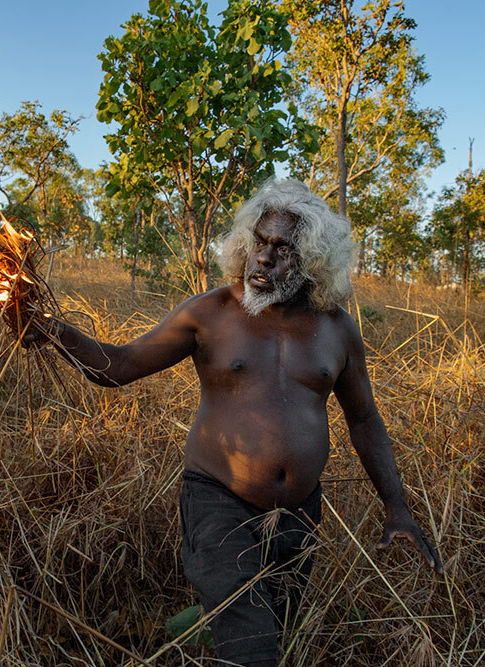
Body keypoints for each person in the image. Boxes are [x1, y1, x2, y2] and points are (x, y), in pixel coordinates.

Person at [24, 179, 442, 666]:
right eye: (259, 242)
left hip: (299, 515)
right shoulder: (211, 313)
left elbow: (365, 421)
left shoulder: (335, 328)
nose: (263, 258)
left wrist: (397, 507)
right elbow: (117, 366)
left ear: (312, 260)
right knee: (251, 648)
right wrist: (52, 328)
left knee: (274, 631)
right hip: (218, 500)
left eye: (282, 249)